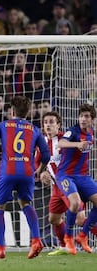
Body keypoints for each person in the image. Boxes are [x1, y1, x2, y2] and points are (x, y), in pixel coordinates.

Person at [0, 96, 51, 259]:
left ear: (12, 111)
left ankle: (0, 248)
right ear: (27, 113)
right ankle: (36, 240)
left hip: (7, 171)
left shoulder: (3, 126)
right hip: (27, 172)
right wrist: (39, 170)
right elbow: (46, 154)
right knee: (26, 204)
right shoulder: (34, 129)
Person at [36, 111, 88, 256]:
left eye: (52, 122)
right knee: (53, 218)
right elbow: (38, 163)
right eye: (46, 122)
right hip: (56, 188)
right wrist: (42, 173)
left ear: (58, 125)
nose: (48, 125)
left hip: (68, 185)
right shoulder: (41, 144)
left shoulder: (65, 140)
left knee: (80, 219)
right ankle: (64, 246)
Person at [54, 103, 97, 255]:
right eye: (81, 116)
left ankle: (83, 235)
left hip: (83, 176)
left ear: (92, 119)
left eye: (86, 116)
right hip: (65, 175)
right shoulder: (73, 131)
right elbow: (61, 143)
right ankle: (68, 237)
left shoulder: (91, 133)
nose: (83, 119)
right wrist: (77, 144)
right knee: (75, 203)